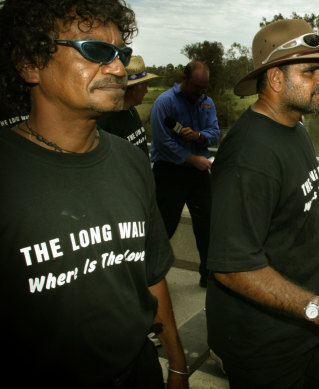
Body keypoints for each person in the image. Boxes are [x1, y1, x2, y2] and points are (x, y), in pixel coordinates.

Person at [0, 1, 188, 388]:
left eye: (122, 54)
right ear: (30, 63)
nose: (118, 69)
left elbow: (151, 277)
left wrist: (178, 365)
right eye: (96, 51)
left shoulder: (130, 162)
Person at [205, 19, 319, 389]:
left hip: (304, 332)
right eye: (311, 71)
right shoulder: (249, 156)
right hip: (264, 347)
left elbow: (285, 228)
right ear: (277, 79)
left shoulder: (294, 129)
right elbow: (233, 267)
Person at [149, 60, 219, 287]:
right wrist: (191, 159)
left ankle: (208, 276)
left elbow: (214, 132)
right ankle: (147, 275)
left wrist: (198, 137)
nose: (200, 92)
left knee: (207, 224)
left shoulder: (207, 103)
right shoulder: (165, 102)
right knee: (164, 225)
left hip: (198, 173)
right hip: (170, 172)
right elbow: (161, 142)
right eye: (196, 87)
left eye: (204, 88)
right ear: (184, 79)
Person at [97, 55, 159, 156]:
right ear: (133, 89)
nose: (146, 91)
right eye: (145, 86)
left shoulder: (131, 110)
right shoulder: (107, 121)